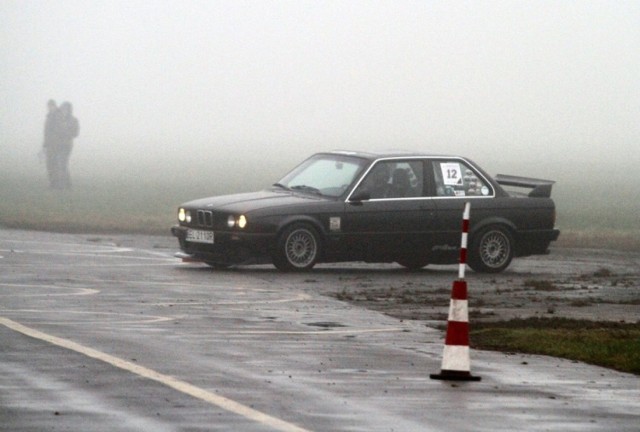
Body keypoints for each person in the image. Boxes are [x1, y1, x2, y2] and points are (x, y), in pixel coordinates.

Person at [55, 101, 79, 189]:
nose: (64, 111)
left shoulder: (73, 120)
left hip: (67, 145)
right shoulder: (58, 119)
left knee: (63, 163)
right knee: (61, 164)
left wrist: (67, 132)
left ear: (69, 110)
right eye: (63, 109)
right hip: (58, 144)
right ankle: (67, 184)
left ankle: (64, 185)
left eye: (66, 109)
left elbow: (76, 133)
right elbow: (55, 131)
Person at [42, 99, 61, 188]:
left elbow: (59, 131)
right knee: (49, 164)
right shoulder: (49, 117)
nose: (50, 108)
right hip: (49, 144)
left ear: (55, 106)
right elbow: (46, 132)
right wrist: (45, 143)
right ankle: (52, 182)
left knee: (55, 164)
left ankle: (56, 183)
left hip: (56, 144)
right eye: (49, 106)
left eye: (51, 106)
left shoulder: (57, 116)